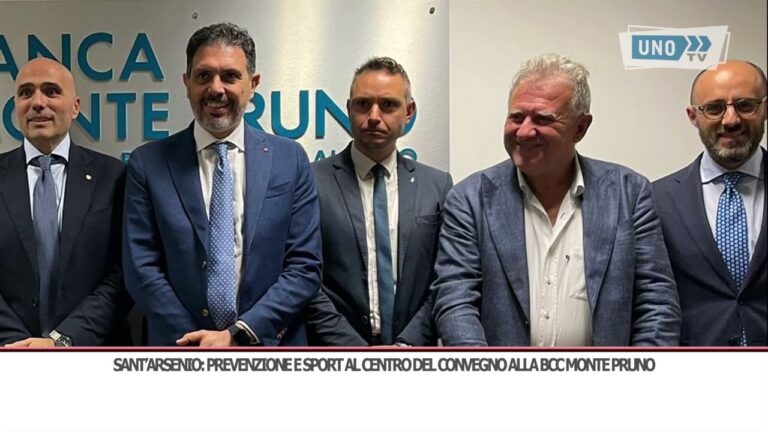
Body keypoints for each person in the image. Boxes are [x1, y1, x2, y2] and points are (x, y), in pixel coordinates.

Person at [432, 53, 681, 346]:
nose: (524, 131)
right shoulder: (470, 199)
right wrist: (488, 372)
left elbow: (657, 304)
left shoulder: (629, 193)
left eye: (543, 119)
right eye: (516, 117)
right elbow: (455, 301)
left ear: (580, 128)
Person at [123, 22, 321, 346]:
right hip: (180, 350)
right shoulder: (148, 164)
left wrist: (239, 334)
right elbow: (141, 267)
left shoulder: (291, 159)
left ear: (252, 85)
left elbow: (305, 265)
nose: (216, 89)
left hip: (269, 348)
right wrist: (199, 343)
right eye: (203, 76)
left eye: (230, 76)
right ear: (187, 83)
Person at [305, 57, 452, 346]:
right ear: (348, 108)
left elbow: (445, 279)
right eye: (363, 104)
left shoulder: (437, 186)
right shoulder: (310, 180)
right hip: (334, 356)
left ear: (409, 112)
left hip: (413, 356)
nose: (373, 116)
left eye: (388, 105)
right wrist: (356, 352)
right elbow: (304, 277)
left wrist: (407, 345)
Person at [1, 57, 131, 347]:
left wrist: (62, 341)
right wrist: (17, 344)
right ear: (16, 107)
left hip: (91, 352)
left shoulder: (113, 176)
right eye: (26, 93)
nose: (38, 103)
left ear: (75, 107)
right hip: (8, 353)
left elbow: (123, 274)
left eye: (51, 91)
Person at [653, 60, 767, 346]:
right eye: (714, 108)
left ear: (765, 109)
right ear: (693, 116)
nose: (731, 120)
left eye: (745, 105)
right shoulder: (657, 200)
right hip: (694, 368)